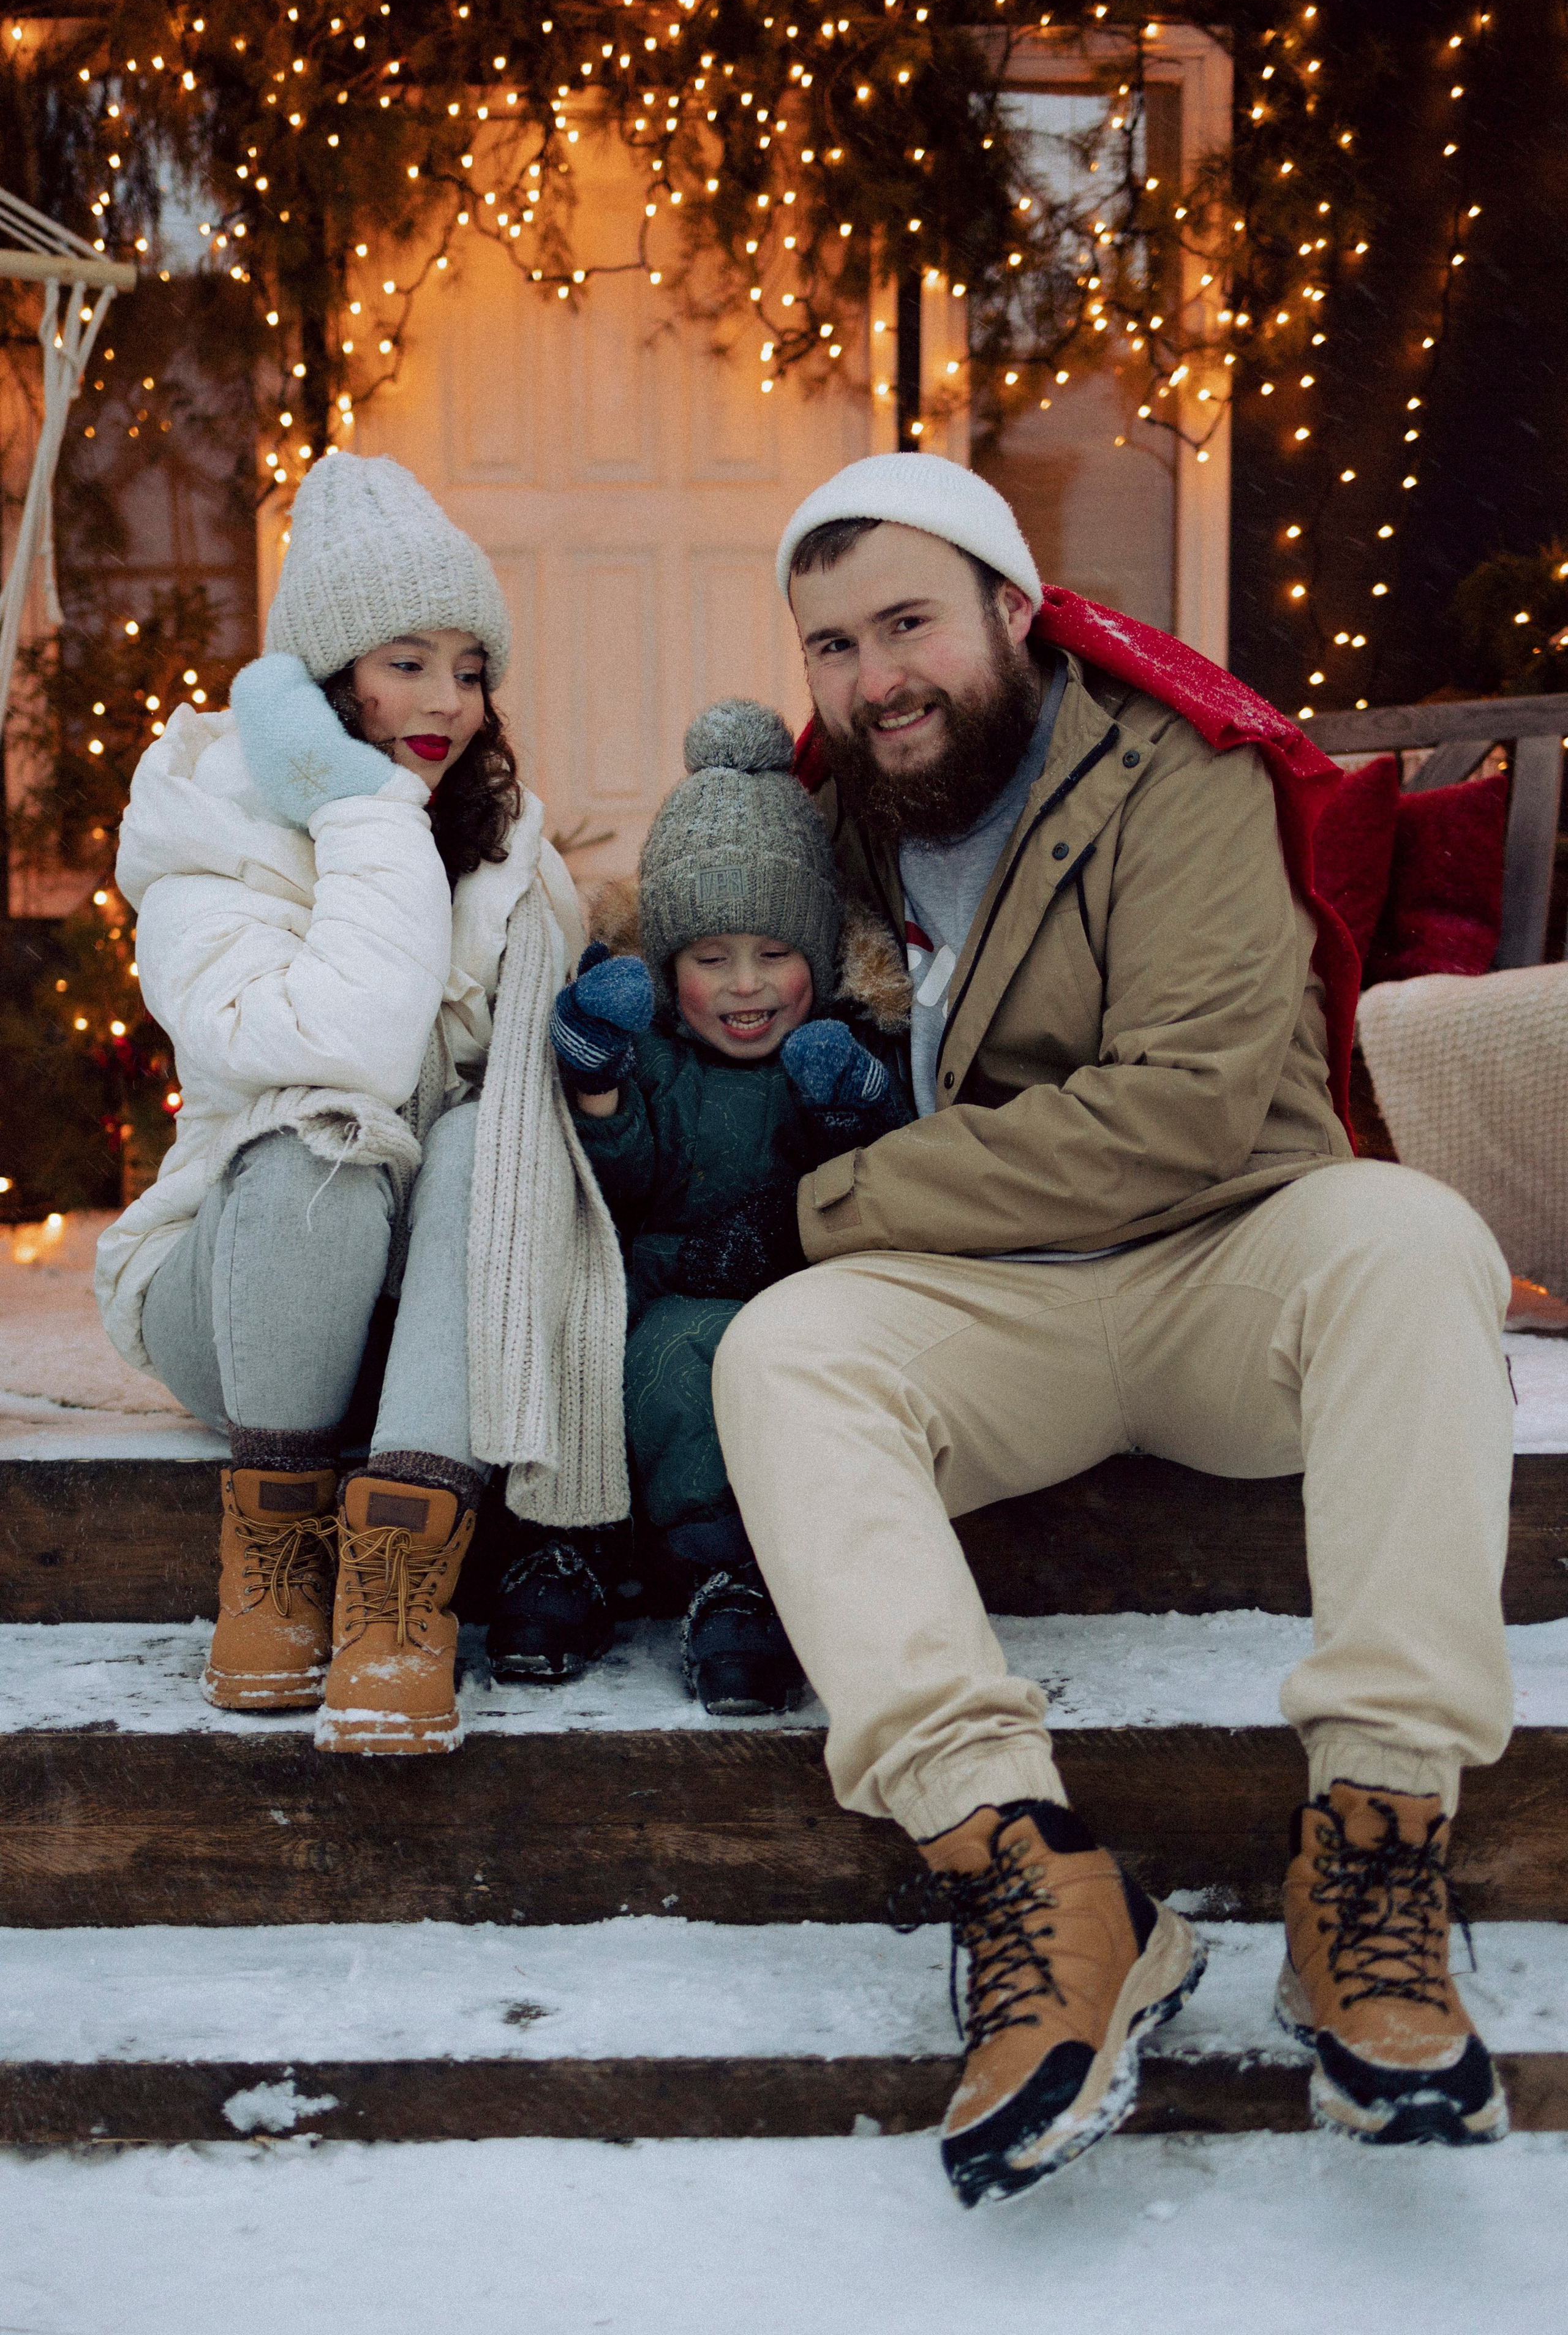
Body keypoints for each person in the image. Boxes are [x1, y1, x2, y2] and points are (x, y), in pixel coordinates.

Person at [708, 453, 1515, 2206]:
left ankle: (1375, 1850)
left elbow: (1188, 1113)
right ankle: (1030, 1879)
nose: (878, 677)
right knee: (782, 1354)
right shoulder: (830, 811)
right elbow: (688, 939)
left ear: (1015, 609)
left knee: (1413, 1242)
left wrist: (836, 1207)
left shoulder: (1179, 771)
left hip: (1226, 1262)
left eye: (911, 622)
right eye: (833, 644)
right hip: (1010, 1315)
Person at [96, 453, 626, 1758]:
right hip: (243, 1295)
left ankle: (398, 1605)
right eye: (406, 661)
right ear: (322, 683)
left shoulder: (502, 838)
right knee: (323, 1140)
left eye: (469, 666)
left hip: (428, 1339)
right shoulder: (210, 837)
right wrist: (366, 809)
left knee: (477, 1139)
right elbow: (348, 1047)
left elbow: (528, 1119)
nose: (448, 700)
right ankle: (271, 1578)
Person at [538, 699, 910, 1713]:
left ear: (821, 958)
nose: (746, 987)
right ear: (667, 967)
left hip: (789, 1292)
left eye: (773, 954)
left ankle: (750, 1571)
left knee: (723, 1360)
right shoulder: (657, 1057)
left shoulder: (836, 1046)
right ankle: (628, 1558)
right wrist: (600, 1087)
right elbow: (612, 1190)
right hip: (661, 1286)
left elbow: (893, 1172)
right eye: (710, 959)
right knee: (619, 1343)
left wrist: (854, 1107)